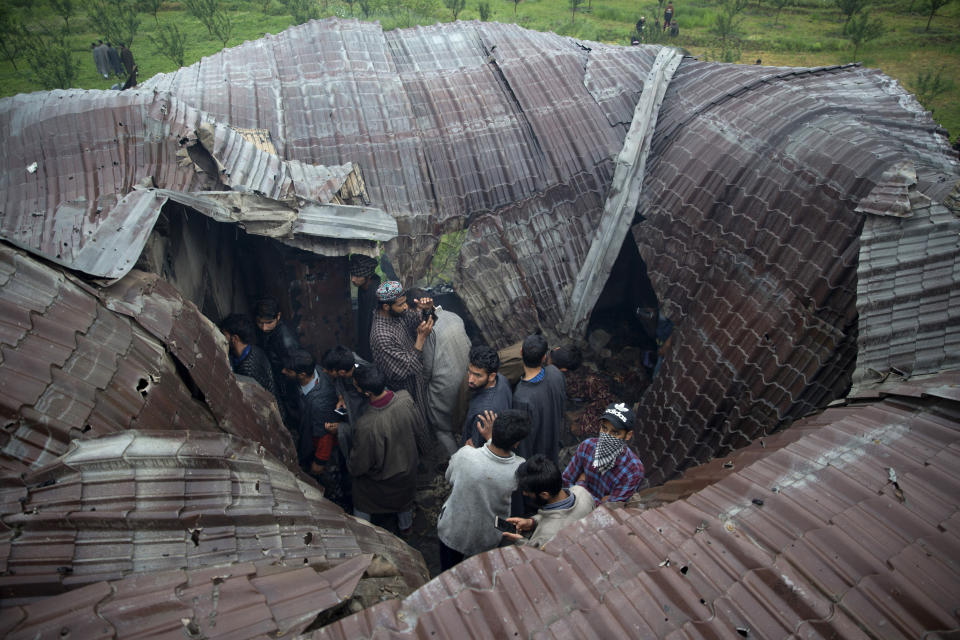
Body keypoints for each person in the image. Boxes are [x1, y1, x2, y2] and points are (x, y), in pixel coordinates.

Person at [437, 409, 530, 570]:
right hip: (487, 535)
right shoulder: (519, 467)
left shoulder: (466, 455)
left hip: (452, 530)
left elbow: (448, 477)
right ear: (516, 443)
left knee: (448, 574)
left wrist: (483, 444)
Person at [349, 364, 420, 536]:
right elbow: (417, 429)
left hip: (383, 481)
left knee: (360, 497)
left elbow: (359, 465)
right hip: (408, 470)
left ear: (367, 393)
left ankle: (362, 533)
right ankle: (406, 527)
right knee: (405, 503)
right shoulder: (405, 398)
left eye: (356, 385)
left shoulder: (367, 425)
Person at [368, 281, 434, 453]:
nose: (406, 307)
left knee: (423, 421)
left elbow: (418, 319)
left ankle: (429, 456)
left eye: (405, 302)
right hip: (403, 390)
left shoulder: (399, 314)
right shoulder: (381, 334)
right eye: (401, 304)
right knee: (412, 428)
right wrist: (420, 339)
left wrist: (427, 310)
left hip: (416, 382)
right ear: (386, 306)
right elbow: (407, 368)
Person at [408, 287, 471, 456]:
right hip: (467, 379)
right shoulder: (454, 316)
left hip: (444, 386)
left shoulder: (428, 330)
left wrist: (422, 387)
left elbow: (427, 368)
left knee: (442, 429)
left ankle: (457, 463)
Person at [282, 351, 340, 500]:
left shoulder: (320, 404)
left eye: (288, 371)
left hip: (317, 449)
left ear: (302, 375)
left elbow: (326, 435)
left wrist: (319, 461)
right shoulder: (313, 372)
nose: (284, 372)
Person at [502, 454, 595, 548]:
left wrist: (520, 541)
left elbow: (538, 556)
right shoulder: (582, 492)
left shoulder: (546, 535)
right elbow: (560, 515)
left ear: (544, 494)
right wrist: (533, 522)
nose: (525, 494)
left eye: (528, 492)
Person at [562, 402, 645, 504]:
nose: (606, 436)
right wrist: (598, 500)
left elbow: (608, 509)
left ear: (628, 435)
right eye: (604, 428)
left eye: (615, 433)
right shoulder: (587, 447)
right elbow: (566, 481)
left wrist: (580, 484)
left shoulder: (633, 470)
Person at [321, 345, 369, 512]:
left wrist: (342, 429)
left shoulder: (364, 378)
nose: (326, 374)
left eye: (329, 371)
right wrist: (341, 396)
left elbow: (365, 425)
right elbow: (340, 385)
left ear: (341, 372)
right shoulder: (347, 364)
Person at [512, 334, 566, 463]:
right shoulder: (555, 374)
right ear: (544, 358)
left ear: (521, 352)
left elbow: (523, 442)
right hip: (553, 441)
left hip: (535, 459)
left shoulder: (521, 398)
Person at [255, 298, 301, 425]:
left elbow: (293, 369)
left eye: (268, 323)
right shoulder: (269, 331)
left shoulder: (287, 342)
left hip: (287, 384)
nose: (263, 328)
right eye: (260, 322)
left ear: (278, 316)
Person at [462, 345, 513, 448]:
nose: (470, 380)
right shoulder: (501, 379)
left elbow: (476, 448)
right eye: (470, 372)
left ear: (492, 376)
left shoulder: (483, 413)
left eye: (477, 375)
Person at [219, 313, 277, 398]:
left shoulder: (247, 370)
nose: (222, 336)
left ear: (234, 338)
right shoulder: (254, 349)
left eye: (224, 334)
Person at [350, 255, 380, 362]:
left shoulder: (376, 293)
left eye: (358, 276)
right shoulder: (362, 288)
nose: (353, 279)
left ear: (368, 277)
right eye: (352, 275)